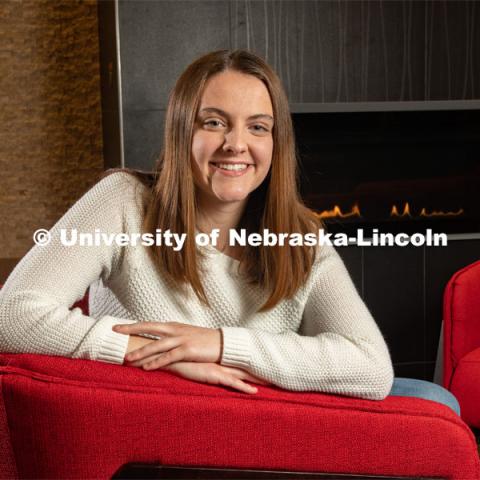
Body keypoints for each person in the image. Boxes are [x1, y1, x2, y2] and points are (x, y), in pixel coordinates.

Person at [0, 50, 460, 415]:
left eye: (257, 127)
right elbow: (12, 316)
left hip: (269, 408)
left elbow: (371, 367)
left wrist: (220, 346)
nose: (236, 144)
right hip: (181, 417)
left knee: (435, 399)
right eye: (214, 122)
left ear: (275, 144)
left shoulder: (299, 234)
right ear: (183, 130)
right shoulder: (123, 201)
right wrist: (154, 353)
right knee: (434, 402)